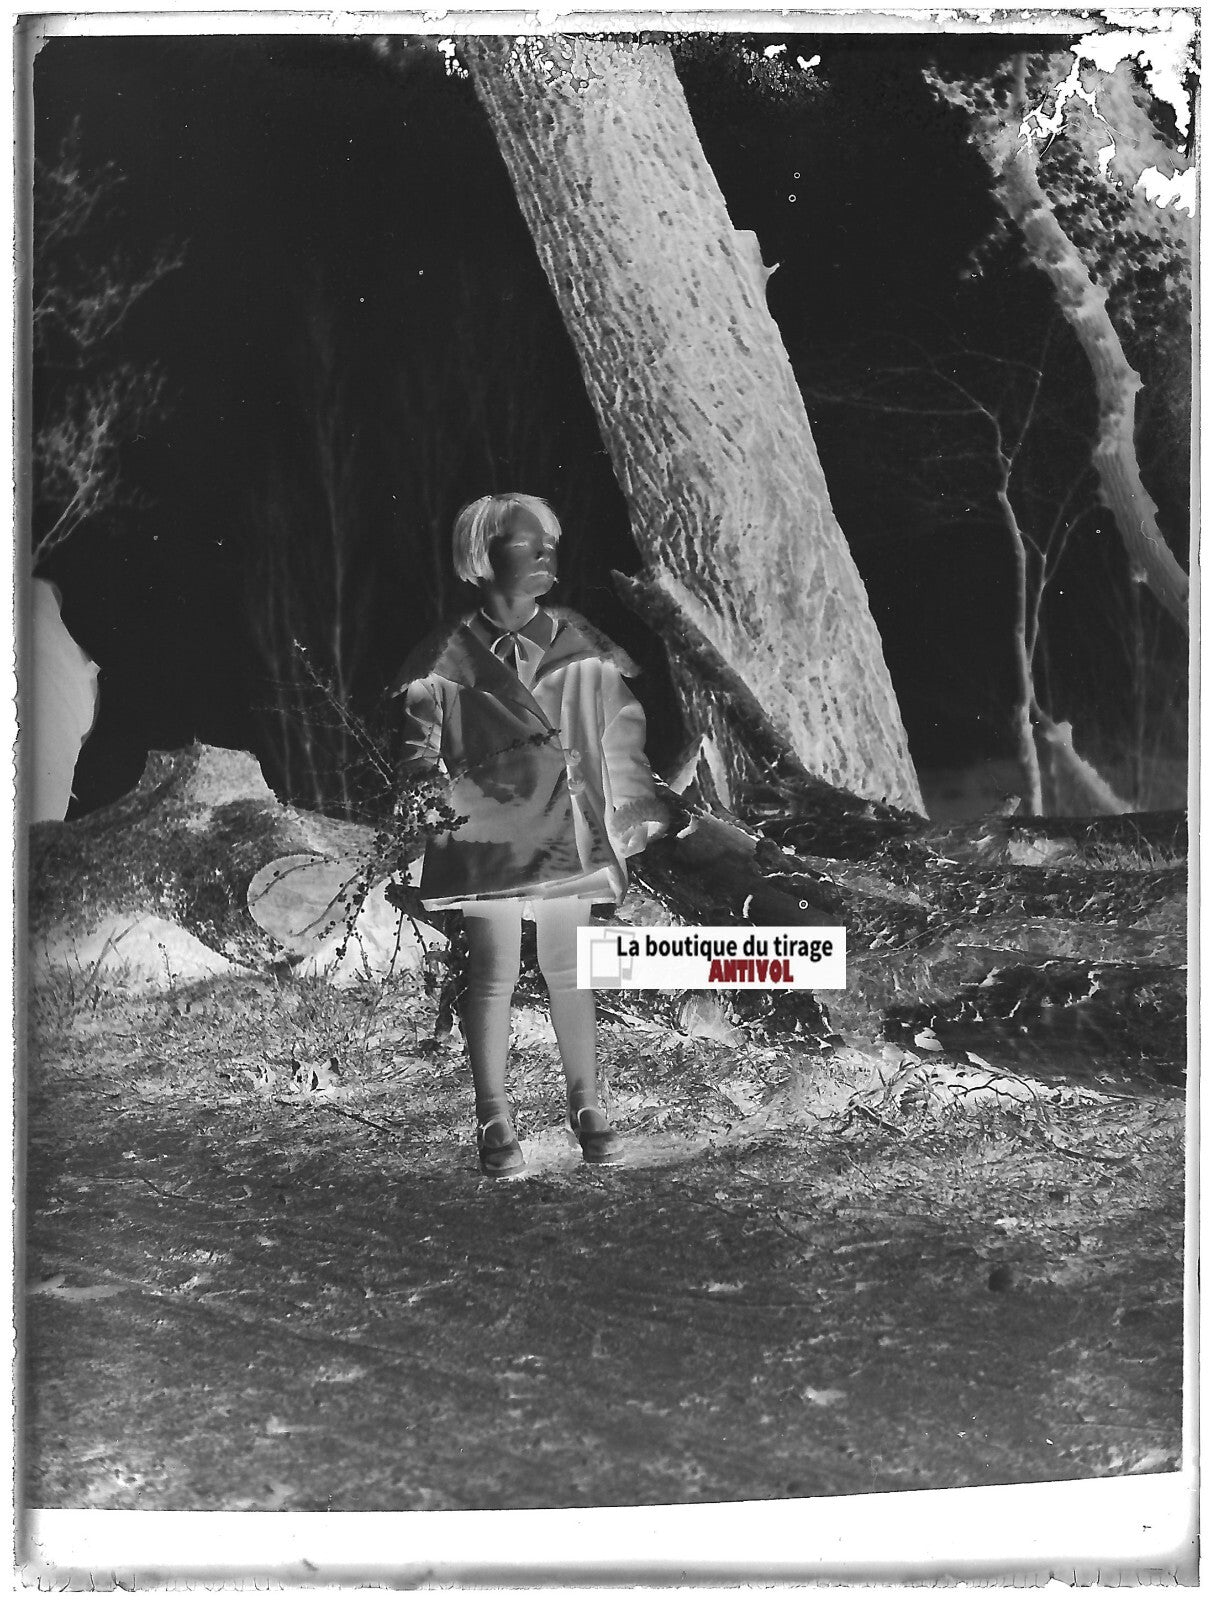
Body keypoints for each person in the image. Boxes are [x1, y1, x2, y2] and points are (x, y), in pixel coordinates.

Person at [389, 493, 668, 1178]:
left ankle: (587, 1105)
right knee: (492, 971)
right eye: (526, 545)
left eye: (550, 545)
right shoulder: (445, 659)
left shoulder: (581, 649)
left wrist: (629, 800)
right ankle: (493, 1114)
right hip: (482, 837)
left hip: (563, 826)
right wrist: (423, 789)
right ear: (482, 557)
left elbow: (620, 731)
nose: (545, 557)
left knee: (569, 970)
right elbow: (418, 747)